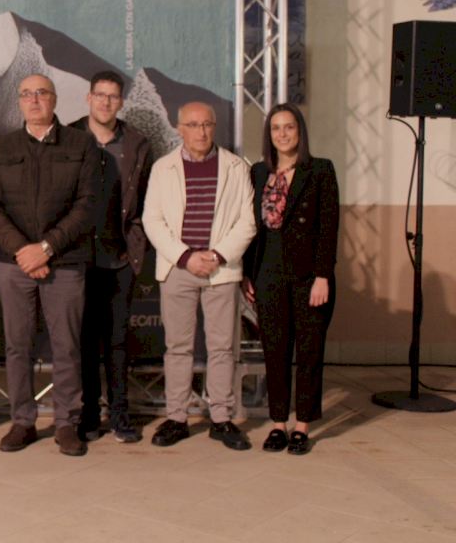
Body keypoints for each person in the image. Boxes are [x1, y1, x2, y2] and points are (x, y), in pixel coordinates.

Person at [0, 74, 95, 456]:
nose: (34, 100)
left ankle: (66, 424)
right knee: (17, 347)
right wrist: (23, 251)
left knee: (66, 347)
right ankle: (23, 421)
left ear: (54, 99)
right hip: (15, 264)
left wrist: (47, 248)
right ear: (19, 101)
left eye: (41, 93)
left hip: (65, 262)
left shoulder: (81, 144)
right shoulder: (4, 147)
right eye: (27, 94)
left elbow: (87, 204)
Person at [142, 102, 256, 451]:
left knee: (223, 347)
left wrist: (217, 255)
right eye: (193, 125)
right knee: (178, 347)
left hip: (222, 269)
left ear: (214, 127)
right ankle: (177, 418)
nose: (201, 131)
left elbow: (247, 221)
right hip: (179, 268)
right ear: (180, 129)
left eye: (207, 124)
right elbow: (152, 220)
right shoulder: (163, 168)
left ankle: (221, 418)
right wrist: (186, 256)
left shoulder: (237, 167)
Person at [243, 103, 339, 456]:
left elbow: (328, 227)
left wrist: (323, 275)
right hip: (267, 273)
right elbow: (250, 227)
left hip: (309, 276)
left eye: (289, 127)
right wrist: (247, 273)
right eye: (276, 128)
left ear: (300, 131)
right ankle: (279, 423)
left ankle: (303, 425)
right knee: (276, 352)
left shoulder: (320, 170)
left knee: (309, 352)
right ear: (269, 135)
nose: (282, 134)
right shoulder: (258, 172)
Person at [70, 71, 152, 444]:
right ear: (89, 98)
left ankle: (119, 414)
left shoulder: (136, 143)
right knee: (85, 341)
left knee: (117, 341)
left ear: (121, 102)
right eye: (100, 95)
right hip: (78, 257)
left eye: (113, 96)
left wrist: (136, 247)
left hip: (120, 257)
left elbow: (147, 200)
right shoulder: (70, 136)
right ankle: (88, 415)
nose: (105, 102)